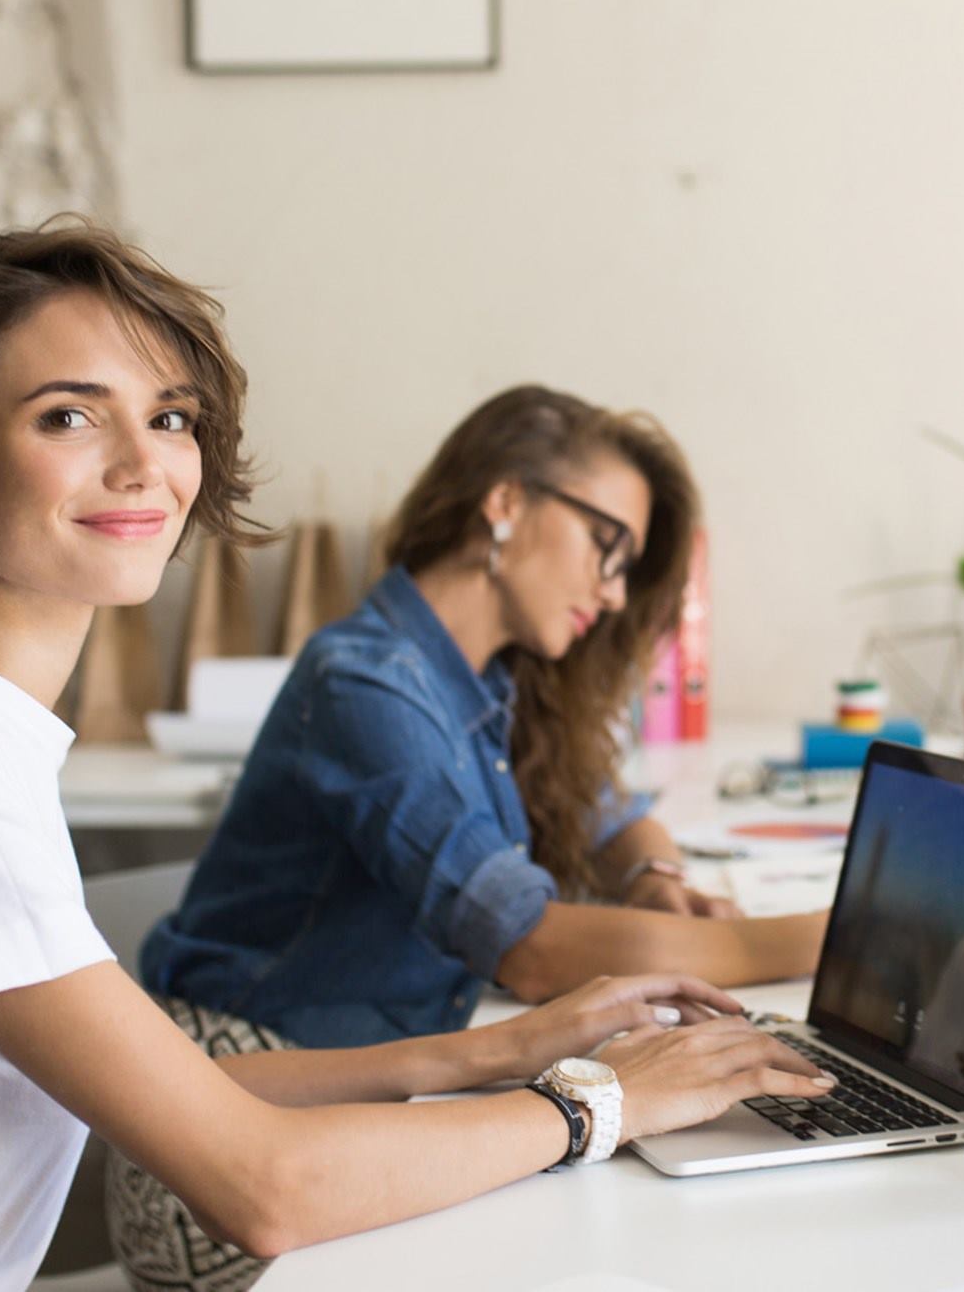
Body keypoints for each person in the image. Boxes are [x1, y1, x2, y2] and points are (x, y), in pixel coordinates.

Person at [0, 223, 829, 1292]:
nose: (145, 462)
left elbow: (193, 1102)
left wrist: (503, 1050)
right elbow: (263, 1186)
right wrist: (607, 1101)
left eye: (168, 417)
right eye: (66, 416)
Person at [117, 385, 826, 1288]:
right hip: (230, 1133)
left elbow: (613, 810)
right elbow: (531, 948)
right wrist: (830, 938)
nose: (613, 593)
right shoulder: (367, 684)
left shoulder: (489, 680)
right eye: (608, 548)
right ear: (506, 501)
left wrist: (652, 872)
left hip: (369, 1091)